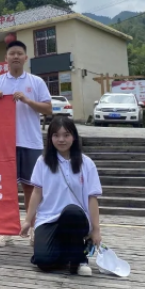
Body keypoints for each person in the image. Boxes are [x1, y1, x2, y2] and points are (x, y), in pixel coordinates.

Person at [0, 40, 52, 248]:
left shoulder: (36, 82)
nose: (15, 56)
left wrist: (27, 100)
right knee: (6, 189)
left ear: (25, 58)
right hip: (4, 144)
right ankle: (5, 231)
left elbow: (48, 109)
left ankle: (34, 230)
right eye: (12, 53)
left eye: (19, 53)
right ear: (5, 58)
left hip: (30, 142)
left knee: (31, 188)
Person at [20, 117, 102, 276]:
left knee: (71, 211)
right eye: (56, 135)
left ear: (74, 136)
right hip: (48, 218)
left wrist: (96, 230)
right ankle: (68, 253)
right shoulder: (42, 162)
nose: (61, 139)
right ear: (50, 138)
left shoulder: (87, 163)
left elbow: (92, 198)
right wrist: (28, 221)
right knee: (44, 262)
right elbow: (37, 192)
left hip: (76, 219)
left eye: (66, 135)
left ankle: (80, 259)